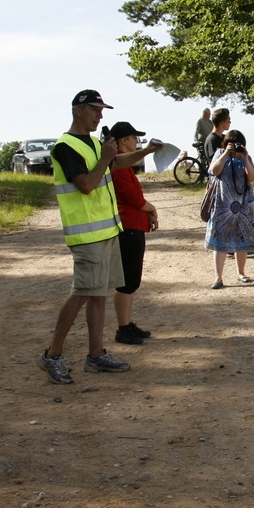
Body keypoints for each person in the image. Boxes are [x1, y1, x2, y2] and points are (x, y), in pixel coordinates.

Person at [38, 90, 143, 385]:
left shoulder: (95, 144)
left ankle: (96, 355)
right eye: (96, 110)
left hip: (106, 231)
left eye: (102, 110)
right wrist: (107, 156)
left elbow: (116, 165)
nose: (100, 115)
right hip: (86, 235)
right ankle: (52, 354)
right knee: (83, 292)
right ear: (78, 110)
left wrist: (144, 152)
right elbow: (86, 184)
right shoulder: (65, 146)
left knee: (98, 294)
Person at [107, 121, 161, 345]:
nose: (136, 141)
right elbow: (131, 196)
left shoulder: (125, 164)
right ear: (123, 141)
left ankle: (126, 324)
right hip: (127, 226)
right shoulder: (117, 164)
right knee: (127, 281)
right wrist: (151, 208)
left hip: (134, 225)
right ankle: (122, 328)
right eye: (133, 138)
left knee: (132, 280)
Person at [206, 130, 254, 288]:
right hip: (223, 204)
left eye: (239, 143)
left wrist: (244, 157)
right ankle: (218, 277)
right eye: (232, 143)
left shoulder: (245, 157)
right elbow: (214, 171)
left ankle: (241, 273)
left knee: (242, 238)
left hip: (243, 204)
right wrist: (225, 154)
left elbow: (252, 177)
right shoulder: (220, 153)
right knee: (219, 240)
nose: (236, 146)